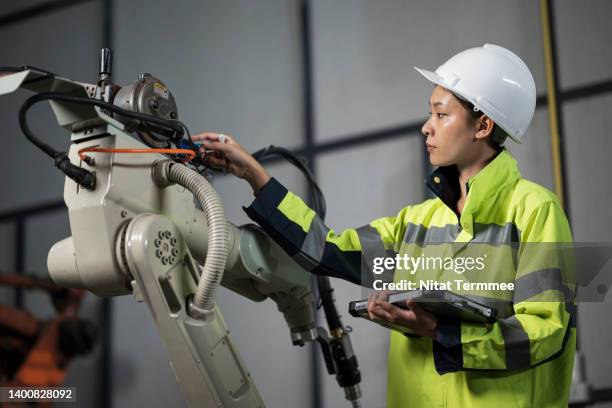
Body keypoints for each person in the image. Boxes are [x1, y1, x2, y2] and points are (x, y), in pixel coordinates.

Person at [192, 44, 576, 407]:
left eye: (442, 115)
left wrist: (438, 332)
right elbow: (327, 251)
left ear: (482, 125)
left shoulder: (535, 210)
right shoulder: (417, 223)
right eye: (430, 113)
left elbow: (546, 332)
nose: (427, 127)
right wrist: (255, 175)